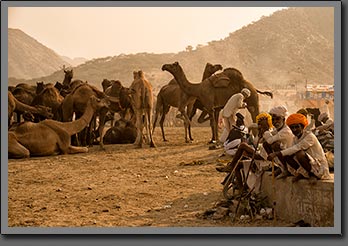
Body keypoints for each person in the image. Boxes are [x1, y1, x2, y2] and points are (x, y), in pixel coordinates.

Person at [267, 113, 331, 183]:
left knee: (299, 154)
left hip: (319, 166)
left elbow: (297, 147)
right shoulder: (295, 138)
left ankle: (312, 175)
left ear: (302, 127)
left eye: (297, 127)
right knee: (287, 155)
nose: (294, 129)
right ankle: (302, 173)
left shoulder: (309, 136)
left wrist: (276, 153)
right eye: (292, 128)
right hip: (308, 164)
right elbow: (291, 150)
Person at [216, 112, 273, 191]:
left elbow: (264, 154)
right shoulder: (262, 133)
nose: (260, 126)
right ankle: (241, 188)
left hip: (263, 160)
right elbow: (256, 143)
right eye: (259, 124)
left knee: (243, 145)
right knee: (238, 164)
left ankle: (231, 167)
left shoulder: (268, 134)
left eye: (262, 125)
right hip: (260, 156)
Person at [262, 106, 294, 179]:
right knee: (265, 144)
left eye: (277, 119)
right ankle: (281, 167)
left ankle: (285, 169)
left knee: (275, 145)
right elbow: (265, 140)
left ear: (283, 119)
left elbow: (270, 141)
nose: (275, 122)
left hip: (291, 158)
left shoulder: (286, 130)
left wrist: (266, 129)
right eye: (272, 120)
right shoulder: (278, 130)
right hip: (285, 156)